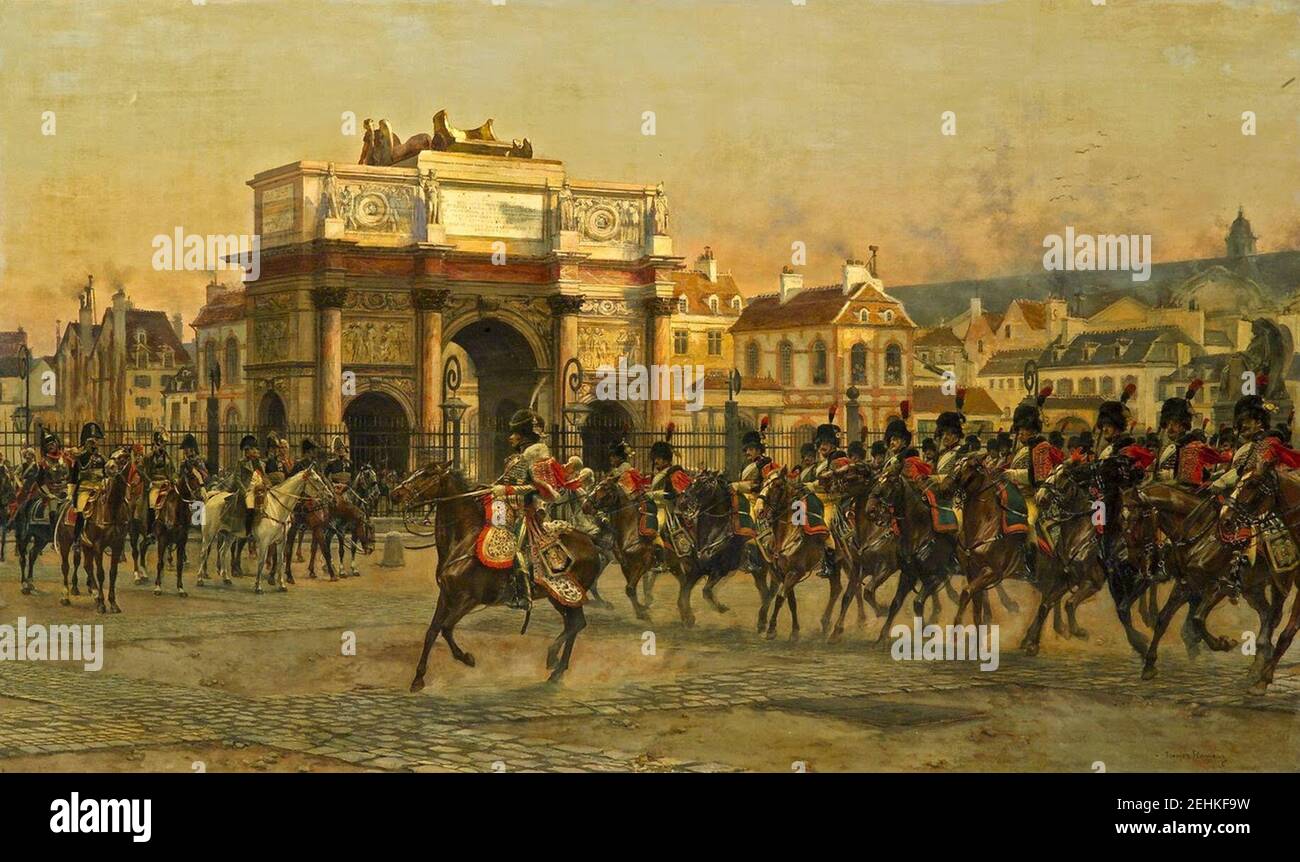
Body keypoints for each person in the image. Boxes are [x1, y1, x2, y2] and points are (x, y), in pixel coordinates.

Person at [490, 408, 575, 610]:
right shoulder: (515, 459)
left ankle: (522, 593)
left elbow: (543, 488)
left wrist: (507, 489)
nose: (511, 438)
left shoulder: (538, 458)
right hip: (506, 508)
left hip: (527, 512)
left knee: (514, 546)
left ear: (525, 436)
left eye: (515, 434)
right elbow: (504, 483)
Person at [1003, 387, 1061, 580]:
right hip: (1014, 496)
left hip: (1032, 497)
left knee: (1028, 524)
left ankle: (1030, 564)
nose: (1020, 434)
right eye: (1019, 431)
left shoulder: (1041, 447)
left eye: (1024, 430)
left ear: (1033, 430)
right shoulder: (1022, 449)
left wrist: (1012, 474)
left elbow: (1038, 476)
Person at [647, 424, 694, 556]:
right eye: (655, 458)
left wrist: (653, 494)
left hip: (666, 508)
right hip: (653, 505)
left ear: (666, 459)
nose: (656, 461)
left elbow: (677, 494)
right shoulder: (659, 473)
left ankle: (659, 557)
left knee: (657, 526)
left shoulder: (674, 473)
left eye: (659, 458)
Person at [69, 422, 107, 537]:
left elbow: (106, 475)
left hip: (100, 489)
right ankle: (77, 539)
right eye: (91, 441)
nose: (94, 444)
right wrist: (70, 493)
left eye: (96, 441)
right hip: (85, 489)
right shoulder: (81, 458)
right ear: (85, 443)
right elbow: (74, 478)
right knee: (81, 511)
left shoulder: (102, 459)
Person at [224, 434, 266, 536]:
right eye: (248, 450)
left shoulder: (261, 463)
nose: (252, 452)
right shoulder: (241, 463)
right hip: (248, 489)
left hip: (260, 488)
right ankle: (249, 531)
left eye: (253, 449)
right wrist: (244, 491)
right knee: (250, 504)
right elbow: (237, 478)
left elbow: (264, 476)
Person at [142, 430, 176, 533]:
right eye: (161, 444)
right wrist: (149, 481)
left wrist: (172, 479)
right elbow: (141, 469)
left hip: (166, 483)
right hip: (155, 484)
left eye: (164, 444)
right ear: (156, 443)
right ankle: (150, 530)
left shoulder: (168, 457)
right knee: (152, 503)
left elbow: (172, 470)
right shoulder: (148, 457)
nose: (162, 447)